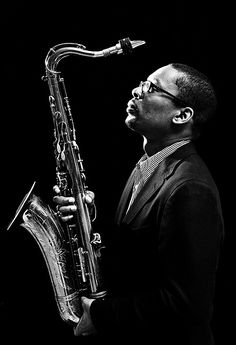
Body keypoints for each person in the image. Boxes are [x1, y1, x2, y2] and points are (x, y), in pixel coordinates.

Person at [53, 63, 224, 344]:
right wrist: (85, 218)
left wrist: (100, 314)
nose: (136, 90)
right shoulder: (148, 166)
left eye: (151, 88)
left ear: (182, 115)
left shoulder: (191, 189)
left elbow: (187, 305)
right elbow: (140, 256)